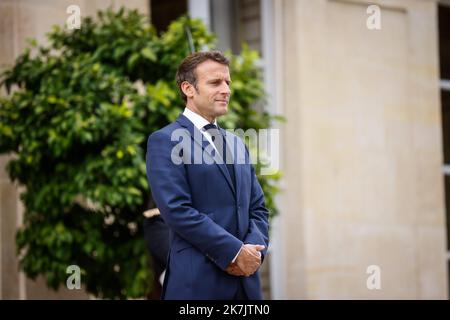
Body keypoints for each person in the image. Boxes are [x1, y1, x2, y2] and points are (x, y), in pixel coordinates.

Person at [145, 51, 269, 300]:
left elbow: (258, 208)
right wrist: (234, 252)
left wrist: (252, 254)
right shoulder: (165, 140)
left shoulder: (237, 143)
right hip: (197, 287)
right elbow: (177, 210)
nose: (226, 90)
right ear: (188, 88)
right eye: (215, 82)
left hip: (247, 288)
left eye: (227, 82)